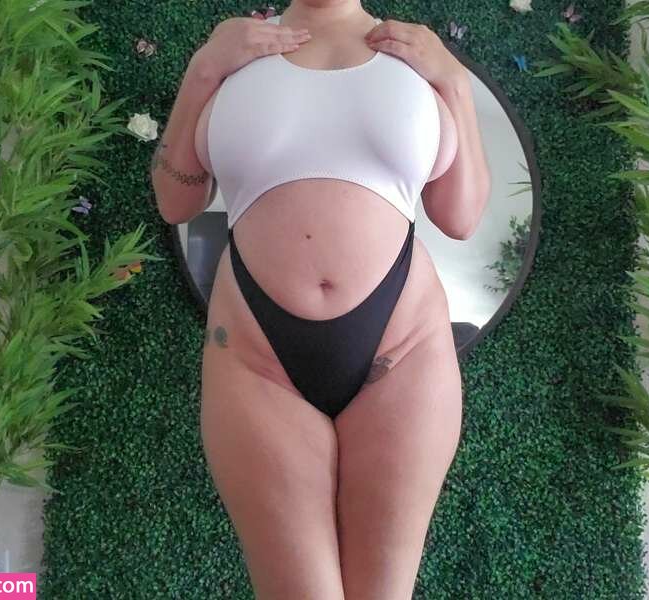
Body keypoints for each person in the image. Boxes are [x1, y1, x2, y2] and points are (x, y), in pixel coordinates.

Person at [151, 1, 490, 598]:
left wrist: (454, 81)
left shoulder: (415, 52)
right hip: (257, 359)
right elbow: (175, 202)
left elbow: (460, 218)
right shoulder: (235, 49)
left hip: (404, 348)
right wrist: (203, 70)